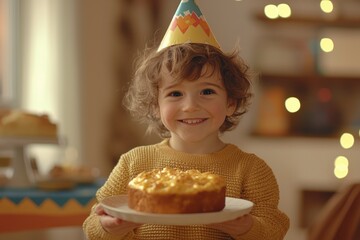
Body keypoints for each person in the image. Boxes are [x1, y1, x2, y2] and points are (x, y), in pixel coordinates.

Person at [83, 0, 289, 239]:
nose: (191, 106)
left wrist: (248, 228)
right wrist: (108, 228)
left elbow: (274, 228)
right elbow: (93, 225)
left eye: (207, 92)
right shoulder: (133, 164)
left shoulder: (251, 171)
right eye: (175, 94)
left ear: (231, 102)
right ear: (155, 105)